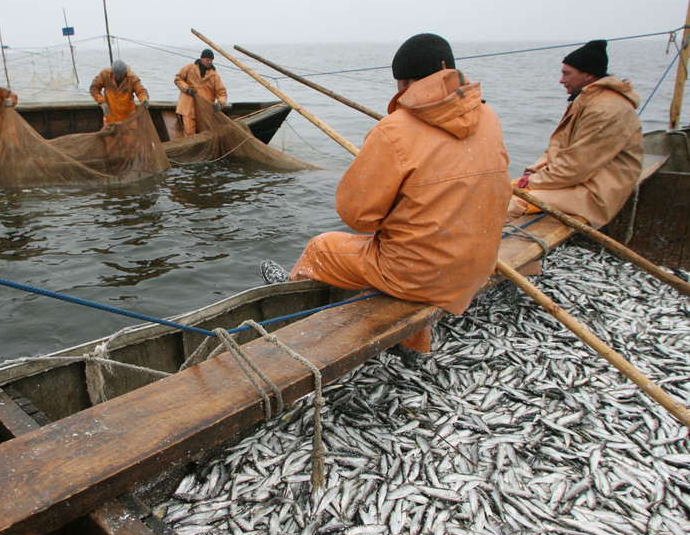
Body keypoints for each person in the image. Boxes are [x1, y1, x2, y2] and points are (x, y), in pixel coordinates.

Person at [261, 33, 512, 320]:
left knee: (320, 248)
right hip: (480, 264)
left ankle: (289, 306)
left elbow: (355, 215)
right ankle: (415, 345)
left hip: (419, 277)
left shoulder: (393, 130)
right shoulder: (489, 116)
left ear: (404, 83)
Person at [507, 40, 643, 228]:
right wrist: (530, 174)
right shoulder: (588, 101)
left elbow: (575, 168)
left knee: (512, 204)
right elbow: (559, 149)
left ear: (587, 74)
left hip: (596, 193)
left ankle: (502, 254)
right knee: (498, 190)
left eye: (567, 73)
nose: (561, 80)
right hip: (579, 182)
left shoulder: (605, 110)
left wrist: (532, 181)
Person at [173, 49, 227, 137]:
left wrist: (220, 104)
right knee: (189, 132)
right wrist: (187, 89)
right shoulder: (189, 67)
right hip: (188, 107)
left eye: (211, 60)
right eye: (207, 60)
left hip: (204, 110)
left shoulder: (214, 76)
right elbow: (178, 79)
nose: (209, 62)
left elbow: (222, 92)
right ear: (202, 58)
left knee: (205, 134)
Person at [89, 59, 150, 126]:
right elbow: (94, 89)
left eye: (120, 74)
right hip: (110, 119)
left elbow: (141, 91)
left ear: (125, 71)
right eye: (116, 74)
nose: (118, 76)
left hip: (128, 119)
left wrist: (144, 99)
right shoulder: (105, 74)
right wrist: (102, 102)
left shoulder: (132, 78)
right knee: (109, 135)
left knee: (130, 135)